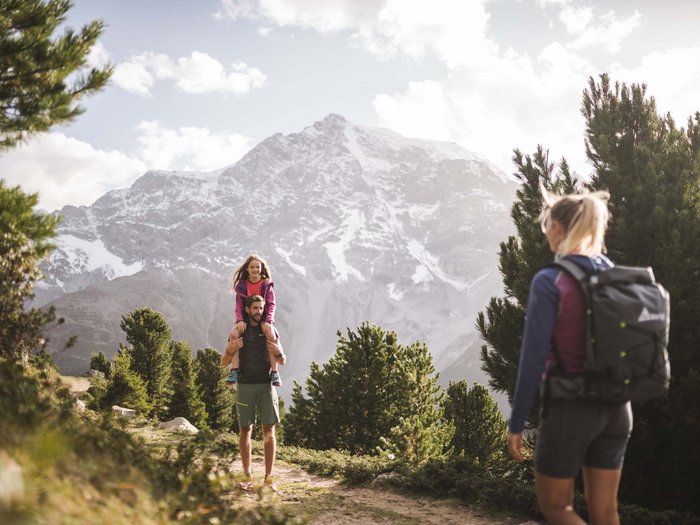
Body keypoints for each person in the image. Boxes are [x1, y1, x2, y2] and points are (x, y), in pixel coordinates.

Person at [507, 188, 632, 525]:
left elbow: (532, 359)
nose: (545, 230)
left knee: (558, 508)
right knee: (606, 512)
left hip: (571, 407)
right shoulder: (611, 272)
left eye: (546, 223)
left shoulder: (550, 280)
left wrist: (516, 422)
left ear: (560, 229)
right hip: (618, 408)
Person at [227, 294, 286, 491]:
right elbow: (223, 362)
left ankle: (269, 479)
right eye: (255, 308)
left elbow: (283, 360)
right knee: (245, 430)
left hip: (266, 385)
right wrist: (229, 349)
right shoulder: (239, 330)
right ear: (247, 309)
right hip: (244, 385)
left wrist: (278, 351)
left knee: (269, 430)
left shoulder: (269, 329)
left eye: (261, 308)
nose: (258, 312)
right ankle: (247, 477)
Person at [222, 254, 284, 386]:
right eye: (252, 267)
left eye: (258, 267)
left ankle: (274, 372)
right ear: (247, 269)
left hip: (263, 317)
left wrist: (268, 321)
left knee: (271, 335)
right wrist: (239, 320)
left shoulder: (266, 285)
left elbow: (272, 304)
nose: (255, 269)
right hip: (245, 318)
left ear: (262, 268)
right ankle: (234, 370)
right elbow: (238, 306)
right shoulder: (242, 286)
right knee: (234, 335)